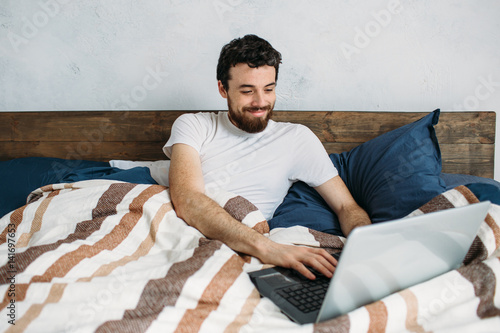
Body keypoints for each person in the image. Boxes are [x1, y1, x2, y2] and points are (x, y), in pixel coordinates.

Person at [164, 34, 371, 280]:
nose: (260, 102)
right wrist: (268, 248)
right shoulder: (194, 125)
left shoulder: (297, 138)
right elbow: (187, 199)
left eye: (269, 89)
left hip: (253, 242)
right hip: (194, 236)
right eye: (247, 91)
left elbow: (346, 206)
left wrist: (367, 247)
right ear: (223, 88)